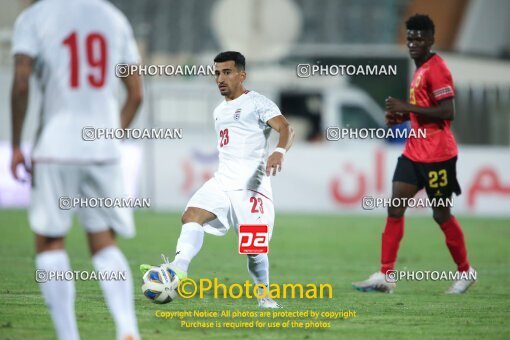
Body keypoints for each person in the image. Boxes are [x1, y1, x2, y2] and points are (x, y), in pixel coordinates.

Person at [10, 0, 143, 338]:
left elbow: (22, 83)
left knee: (50, 241)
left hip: (56, 146)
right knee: (103, 241)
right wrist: (111, 137)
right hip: (102, 147)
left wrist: (15, 145)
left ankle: (68, 335)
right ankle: (127, 329)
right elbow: (136, 95)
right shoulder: (114, 17)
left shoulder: (35, 16)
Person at [141, 51, 294, 308]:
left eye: (227, 72)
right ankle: (179, 269)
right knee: (191, 216)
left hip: (251, 188)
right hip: (222, 182)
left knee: (254, 250)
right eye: (217, 73)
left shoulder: (257, 102)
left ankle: (264, 296)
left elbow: (286, 128)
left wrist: (279, 152)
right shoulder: (219, 111)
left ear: (242, 75)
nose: (220, 79)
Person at [352, 14, 476, 294]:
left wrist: (407, 108)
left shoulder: (437, 68)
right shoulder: (419, 70)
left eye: (420, 38)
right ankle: (385, 275)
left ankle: (466, 271)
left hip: (438, 156)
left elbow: (448, 112)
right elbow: (426, 113)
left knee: (441, 214)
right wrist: (403, 120)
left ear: (431, 40)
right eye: (410, 38)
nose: (413, 43)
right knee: (395, 207)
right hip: (414, 151)